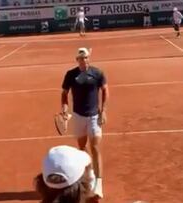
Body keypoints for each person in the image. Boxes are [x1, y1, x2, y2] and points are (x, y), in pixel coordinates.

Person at [60, 47, 109, 199]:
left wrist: (104, 110)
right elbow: (64, 94)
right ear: (77, 60)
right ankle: (91, 173)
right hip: (78, 116)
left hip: (94, 116)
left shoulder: (97, 73)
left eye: (86, 57)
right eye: (81, 58)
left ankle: (98, 184)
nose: (84, 60)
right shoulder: (70, 74)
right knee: (82, 147)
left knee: (94, 147)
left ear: (89, 58)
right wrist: (64, 109)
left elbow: (105, 90)